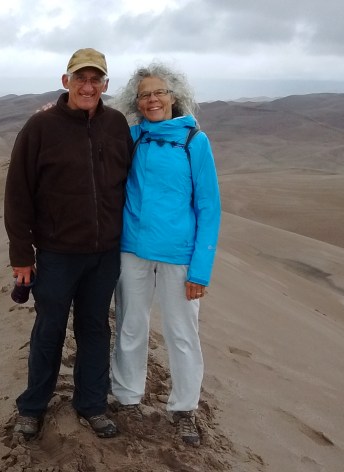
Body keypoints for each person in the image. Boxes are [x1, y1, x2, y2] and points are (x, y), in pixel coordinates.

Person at [4, 48, 132, 439]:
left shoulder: (116, 125)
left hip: (105, 253)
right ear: (66, 82)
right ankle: (32, 407)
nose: (88, 86)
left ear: (106, 85)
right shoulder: (40, 128)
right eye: (81, 79)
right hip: (58, 253)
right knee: (50, 329)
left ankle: (91, 404)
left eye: (96, 80)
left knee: (95, 329)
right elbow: (18, 193)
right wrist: (22, 256)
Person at [110, 62, 221, 447]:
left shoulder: (194, 140)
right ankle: (126, 399)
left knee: (182, 333)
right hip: (133, 249)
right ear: (136, 102)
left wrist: (201, 270)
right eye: (144, 95)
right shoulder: (132, 136)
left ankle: (184, 409)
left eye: (159, 92)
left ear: (174, 96)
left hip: (179, 255)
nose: (152, 99)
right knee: (130, 325)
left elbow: (209, 207)